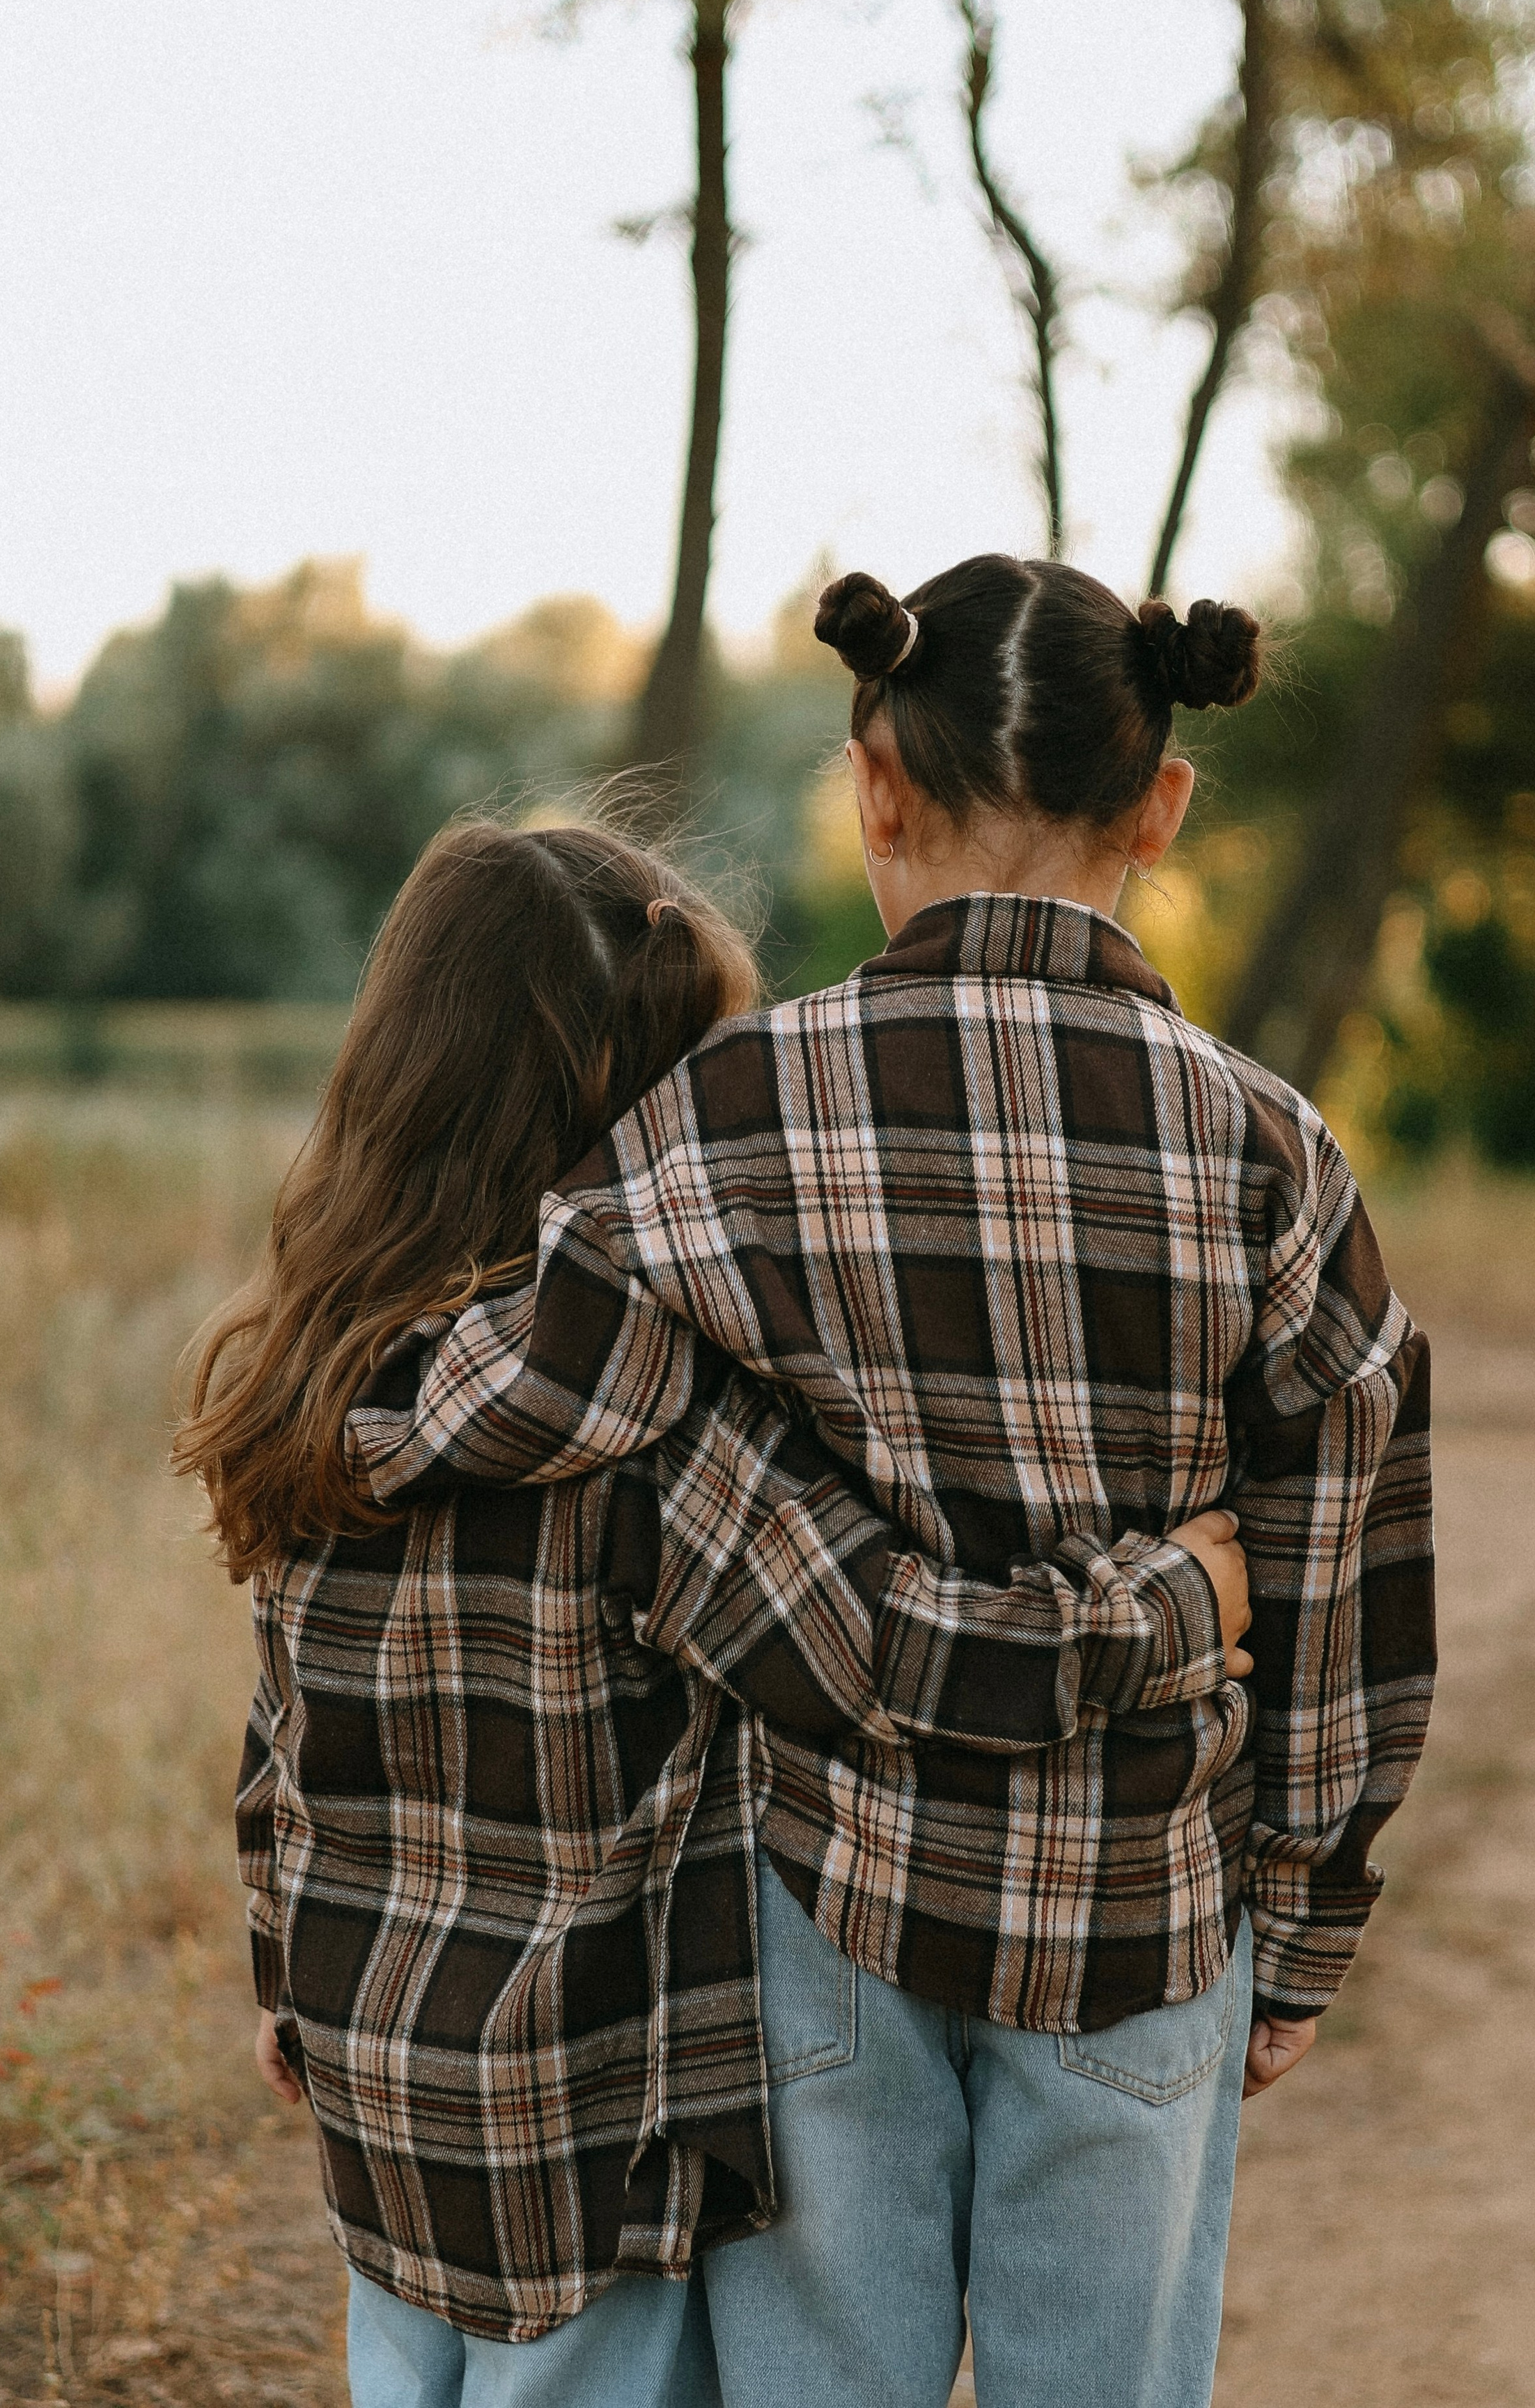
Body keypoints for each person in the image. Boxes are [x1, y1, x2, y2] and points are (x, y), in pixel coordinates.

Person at [347, 561, 1437, 2408]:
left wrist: (344, 1406)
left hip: (822, 1912)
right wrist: (1309, 1908)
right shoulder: (1276, 1150)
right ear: (1162, 806)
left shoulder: (729, 1113)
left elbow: (523, 1392)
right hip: (1144, 1915)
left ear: (873, 785)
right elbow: (1344, 1557)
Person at [176, 814, 1253, 2408]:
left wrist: (286, 1970)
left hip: (385, 2097)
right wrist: (1170, 1602)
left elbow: (291, 1738)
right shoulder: (643, 1429)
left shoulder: (312, 1374)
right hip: (601, 2147)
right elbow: (895, 1657)